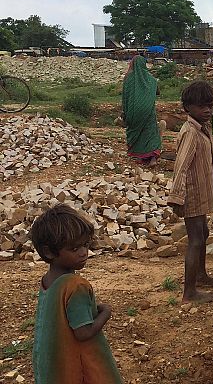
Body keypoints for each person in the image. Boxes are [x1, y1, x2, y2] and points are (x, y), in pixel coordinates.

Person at [29, 204, 122, 384]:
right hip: (77, 368)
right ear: (49, 251)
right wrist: (106, 312)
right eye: (74, 249)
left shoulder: (48, 281)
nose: (83, 253)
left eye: (85, 245)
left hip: (53, 365)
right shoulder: (75, 285)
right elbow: (83, 333)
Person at [167, 81, 213, 303]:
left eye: (210, 105)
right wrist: (177, 197)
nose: (207, 110)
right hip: (191, 194)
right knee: (196, 240)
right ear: (187, 108)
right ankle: (189, 292)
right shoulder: (190, 132)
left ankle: (201, 275)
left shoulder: (202, 129)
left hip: (201, 193)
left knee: (204, 234)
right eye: (201, 106)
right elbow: (181, 166)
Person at [122, 55, 161, 167]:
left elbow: (125, 97)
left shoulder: (128, 79)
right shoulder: (151, 79)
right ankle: (152, 158)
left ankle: (140, 156)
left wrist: (124, 112)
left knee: (137, 132)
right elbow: (157, 92)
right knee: (150, 132)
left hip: (133, 111)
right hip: (148, 110)